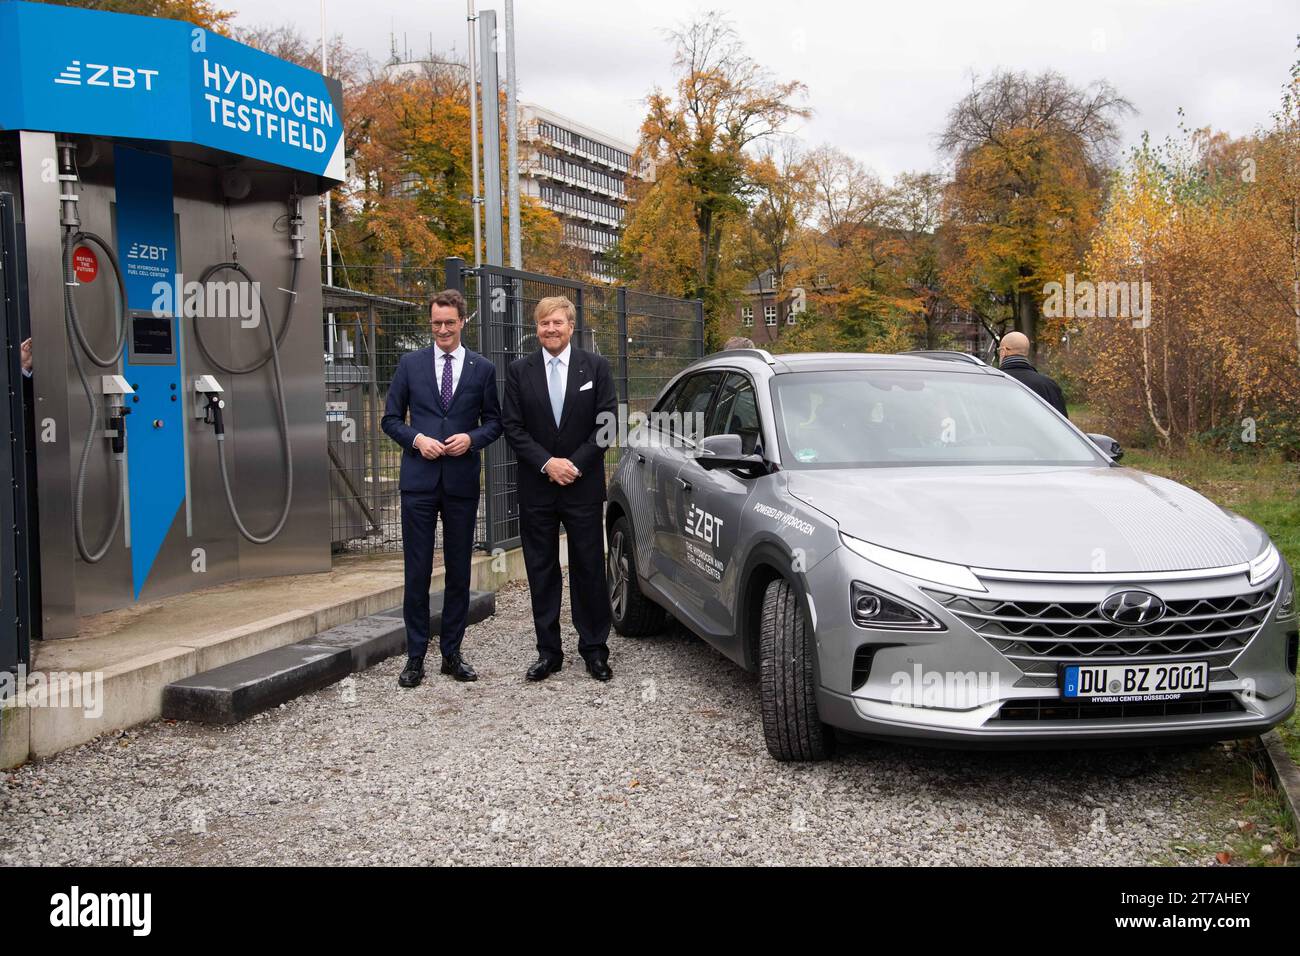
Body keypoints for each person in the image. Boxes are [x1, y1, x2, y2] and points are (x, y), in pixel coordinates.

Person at [381, 290, 502, 688]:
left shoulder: (482, 369)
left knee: (458, 571)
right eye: (436, 323)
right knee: (416, 571)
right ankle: (415, 657)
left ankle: (452, 653)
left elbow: (494, 422)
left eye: (450, 322)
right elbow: (390, 419)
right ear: (429, 324)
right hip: (419, 482)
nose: (443, 330)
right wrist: (417, 440)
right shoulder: (410, 365)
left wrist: (472, 439)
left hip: (461, 482)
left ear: (463, 322)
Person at [503, 296, 618, 682]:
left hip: (582, 487)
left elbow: (606, 424)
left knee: (588, 568)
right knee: (542, 569)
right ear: (535, 329)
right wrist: (547, 463)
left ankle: (594, 649)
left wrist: (575, 464)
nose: (550, 329)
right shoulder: (520, 371)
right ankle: (548, 652)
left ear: (571, 326)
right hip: (537, 486)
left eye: (557, 322)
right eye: (543, 323)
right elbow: (513, 427)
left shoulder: (595, 367)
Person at [997, 331, 1068, 417]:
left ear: (1003, 351)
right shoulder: (1048, 386)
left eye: (999, 350)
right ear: (1026, 352)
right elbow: (1062, 423)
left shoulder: (991, 382)